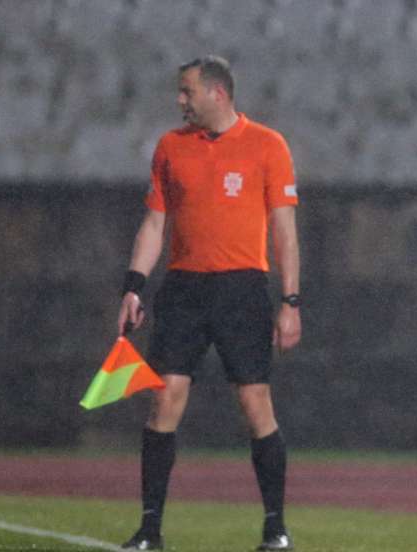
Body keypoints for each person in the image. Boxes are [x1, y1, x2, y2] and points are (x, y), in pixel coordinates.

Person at [117, 55, 301, 551]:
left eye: (187, 92)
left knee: (254, 403)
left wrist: (290, 300)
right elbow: (154, 224)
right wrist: (134, 286)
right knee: (165, 399)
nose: (180, 101)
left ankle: (274, 526)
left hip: (242, 289)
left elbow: (284, 230)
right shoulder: (170, 149)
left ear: (216, 93)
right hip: (183, 289)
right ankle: (150, 528)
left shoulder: (267, 145)